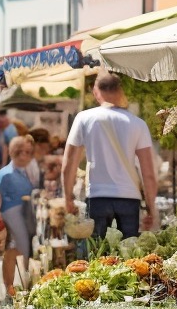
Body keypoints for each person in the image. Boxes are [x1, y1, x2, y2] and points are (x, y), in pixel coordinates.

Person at [63, 71, 158, 239]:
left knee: (98, 252)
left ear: (95, 92)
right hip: (129, 198)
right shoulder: (138, 124)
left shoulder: (84, 118)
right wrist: (151, 206)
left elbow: (70, 163)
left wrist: (67, 198)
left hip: (97, 196)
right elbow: (148, 173)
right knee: (129, 252)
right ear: (120, 91)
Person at [0, 135, 36, 295]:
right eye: (24, 152)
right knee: (15, 249)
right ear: (15, 153)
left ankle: (20, 284)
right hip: (11, 215)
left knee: (20, 248)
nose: (27, 156)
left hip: (24, 214)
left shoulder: (23, 172)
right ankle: (11, 287)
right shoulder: (6, 173)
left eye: (29, 152)